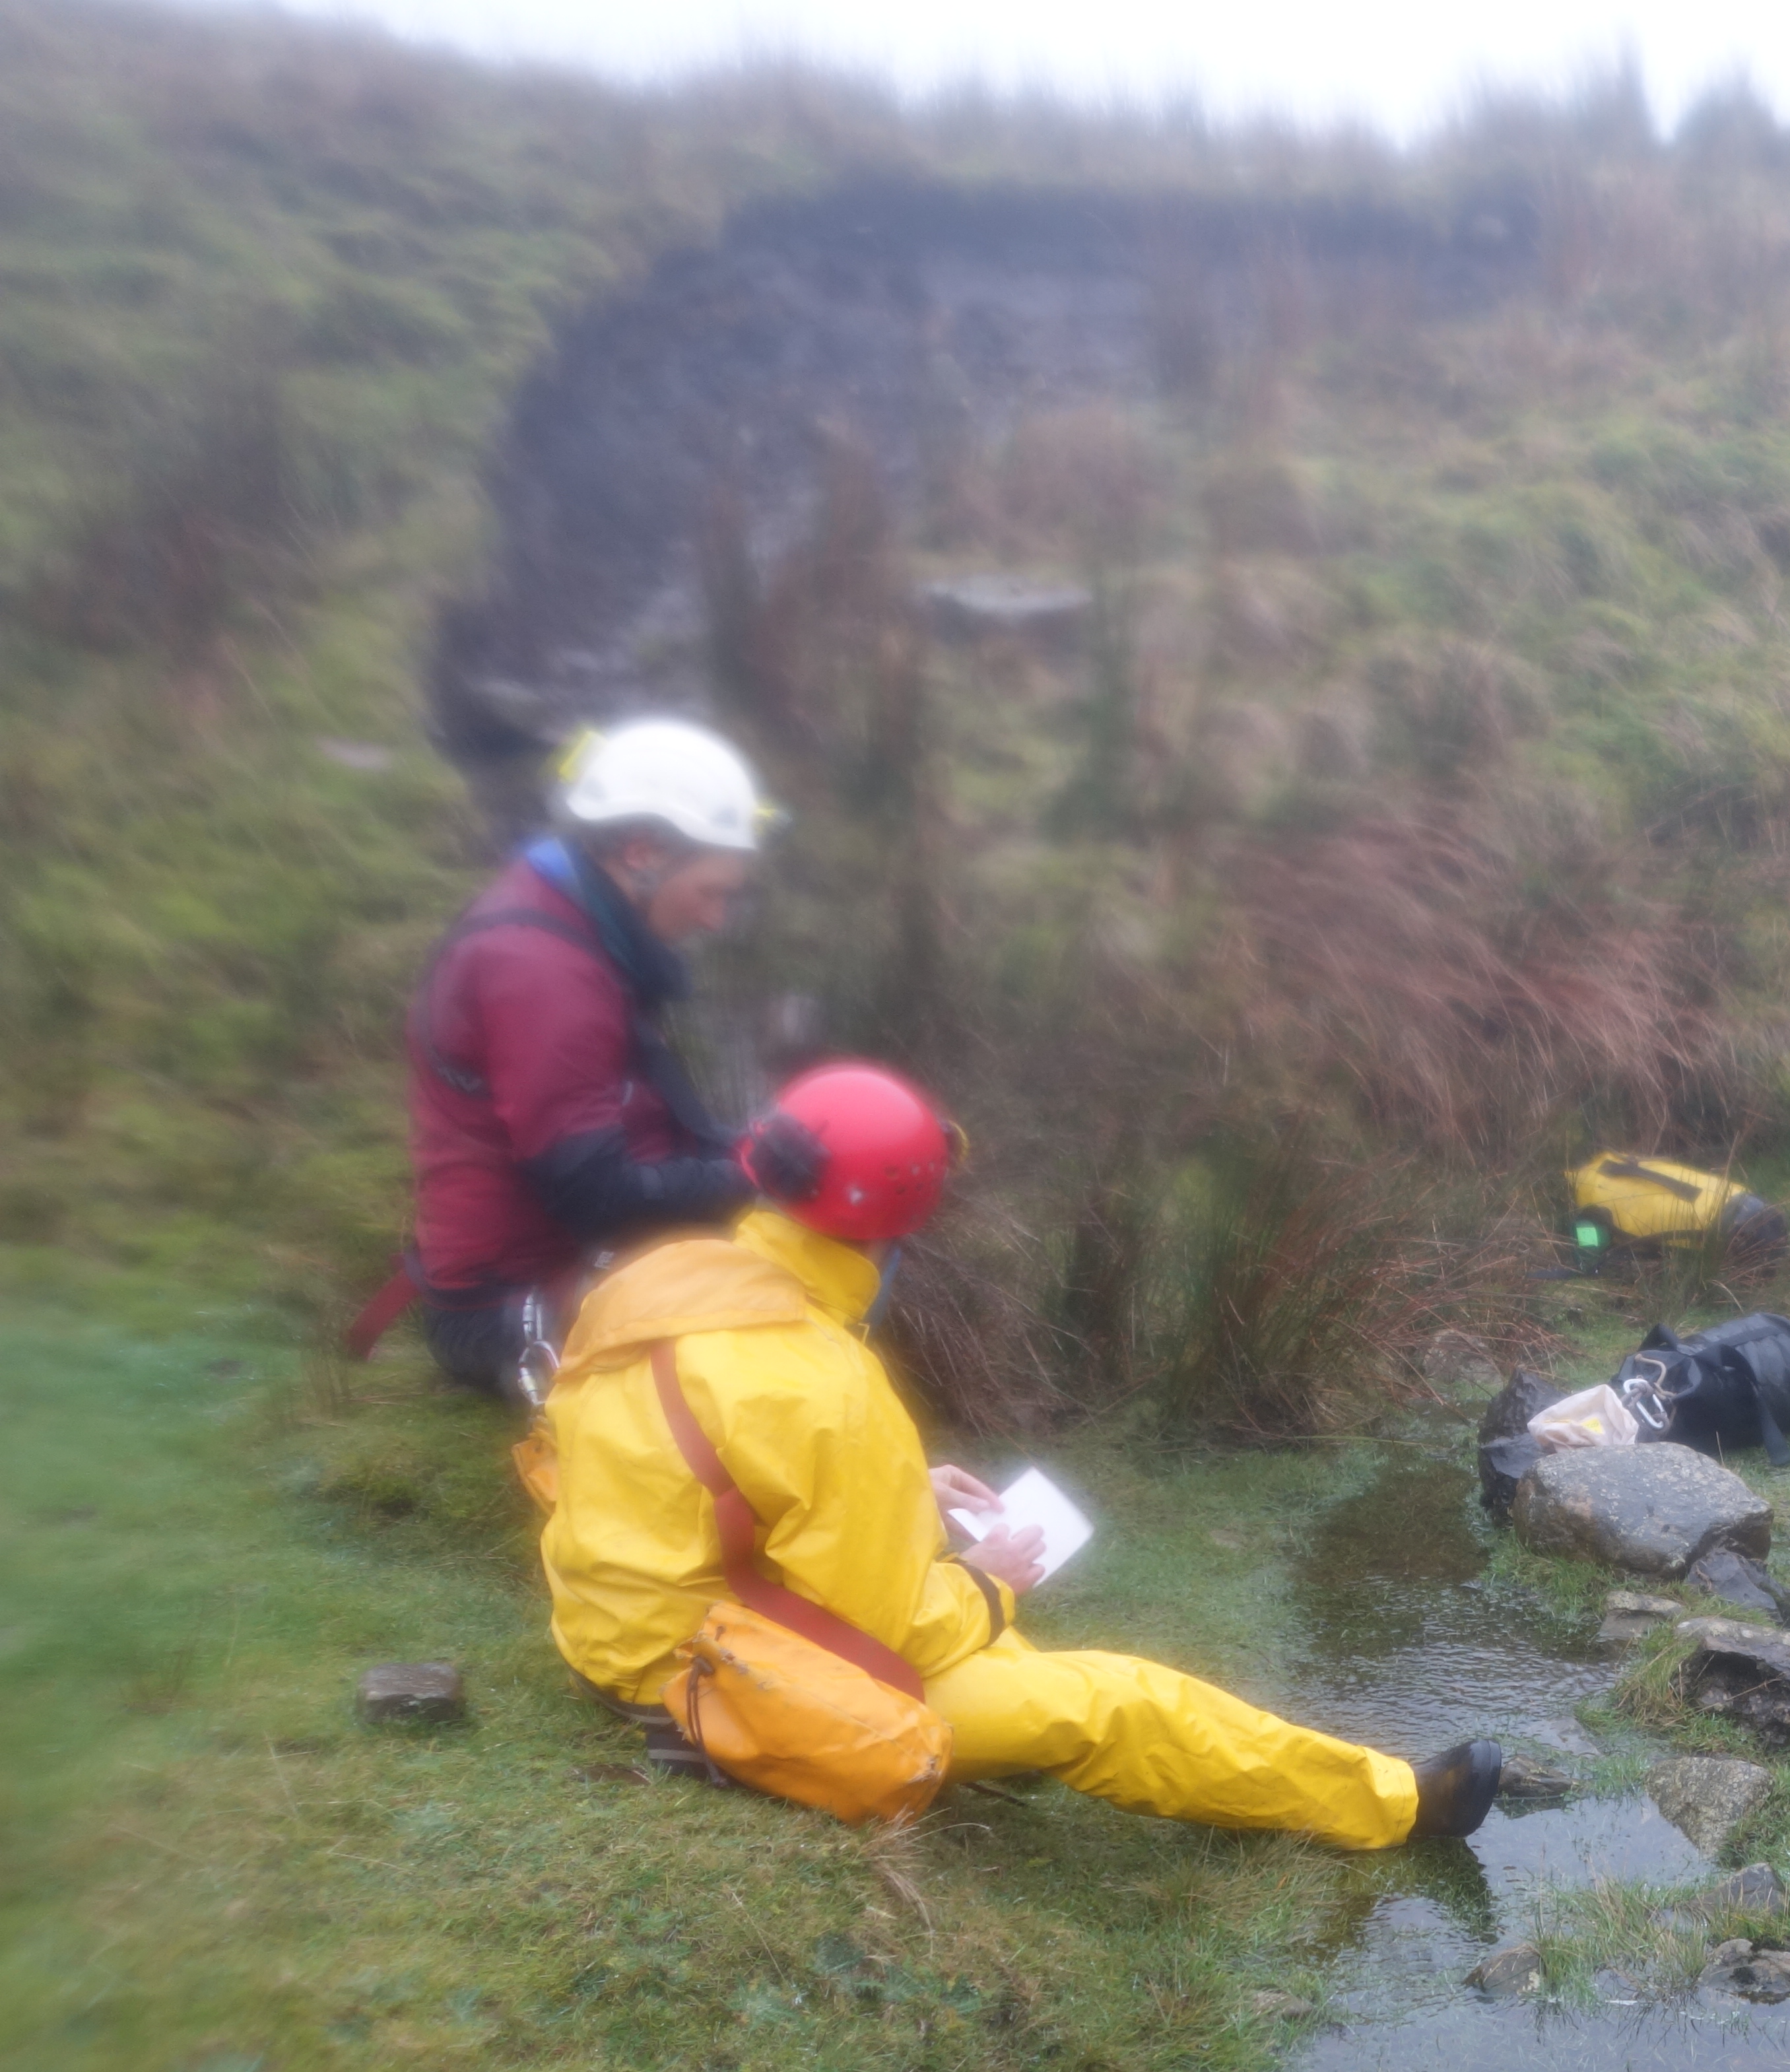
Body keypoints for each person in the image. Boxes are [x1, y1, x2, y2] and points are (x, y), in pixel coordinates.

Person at [533, 1059, 1505, 1848]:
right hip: (716, 1683)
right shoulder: (822, 1382)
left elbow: (696, 1468)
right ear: (898, 1223)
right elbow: (892, 1639)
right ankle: (1395, 1806)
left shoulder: (660, 1283)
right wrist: (989, 1579)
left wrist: (898, 1489)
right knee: (1114, 1701)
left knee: (1010, 1661)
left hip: (616, 1636)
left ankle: (1021, 1742)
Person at [389, 718, 770, 1398]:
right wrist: (748, 1176)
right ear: (641, 853)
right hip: (508, 1304)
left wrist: (763, 1156)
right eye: (709, 891)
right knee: (786, 1327)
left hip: (581, 1254)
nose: (715, 918)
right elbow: (595, 1196)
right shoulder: (541, 971)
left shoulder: (578, 915)